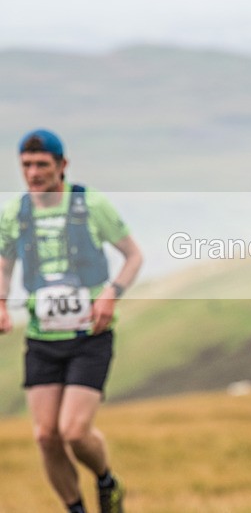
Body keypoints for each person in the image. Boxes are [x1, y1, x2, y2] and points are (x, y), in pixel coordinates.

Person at [0, 129, 143, 513]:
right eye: (26, 165)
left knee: (74, 432)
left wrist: (112, 293)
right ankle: (76, 508)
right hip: (41, 339)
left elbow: (133, 256)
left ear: (62, 165)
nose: (33, 173)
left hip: (89, 337)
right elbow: (4, 263)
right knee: (46, 436)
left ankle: (106, 481)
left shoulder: (91, 205)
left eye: (41, 164)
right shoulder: (14, 214)